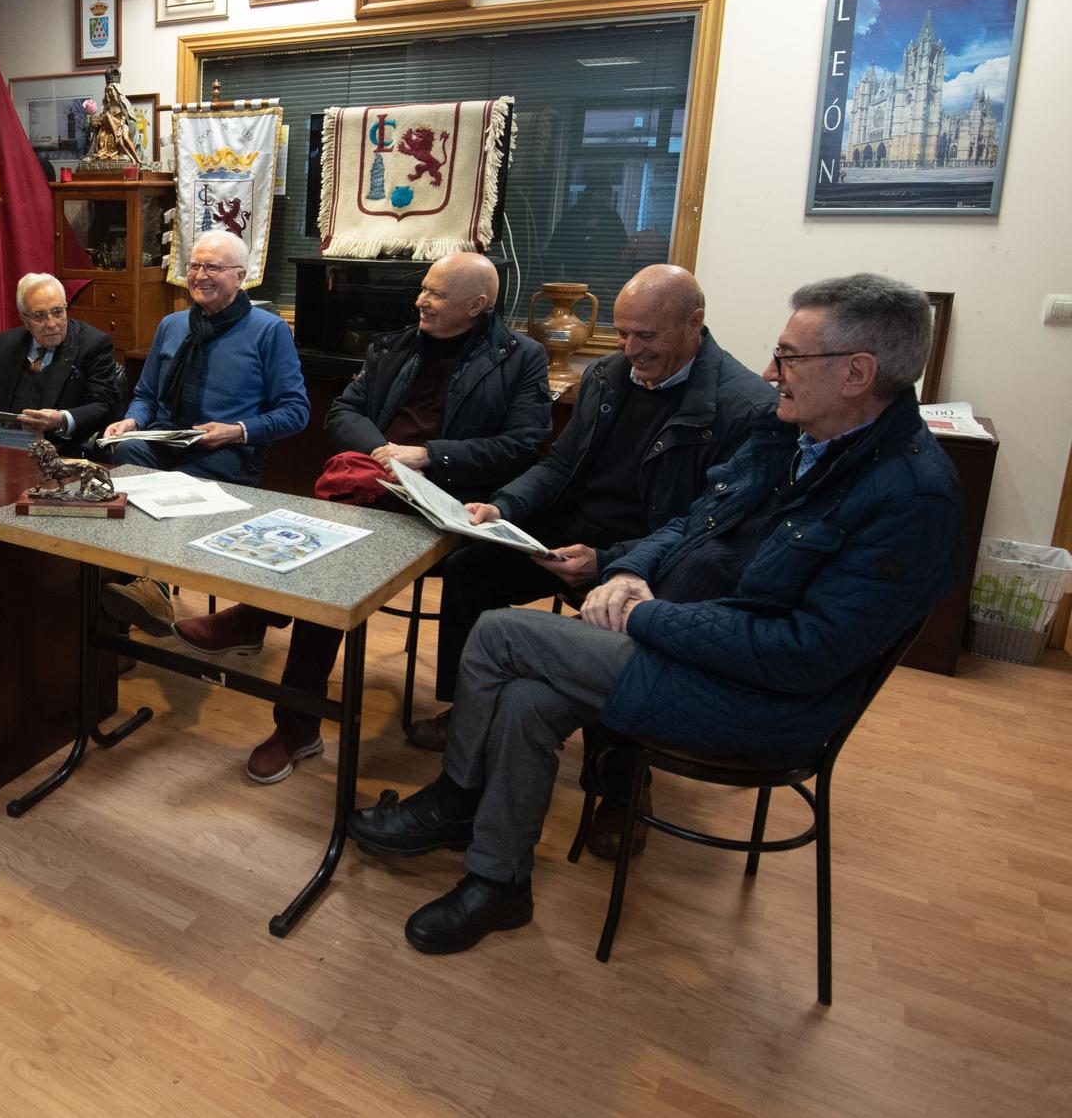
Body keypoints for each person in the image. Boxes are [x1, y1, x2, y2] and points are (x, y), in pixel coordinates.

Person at [348, 273, 962, 956]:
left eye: (789, 357)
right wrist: (632, 567)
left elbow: (802, 651)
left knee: (501, 635)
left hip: (756, 699)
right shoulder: (793, 432)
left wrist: (641, 614)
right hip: (686, 632)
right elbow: (698, 518)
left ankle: (455, 800)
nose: (770, 371)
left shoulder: (910, 495)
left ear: (857, 372)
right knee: (522, 697)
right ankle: (500, 882)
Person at [169, 252, 552, 783]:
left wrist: (428, 456)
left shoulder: (521, 357)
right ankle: (287, 696)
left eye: (436, 294)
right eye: (423, 288)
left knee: (326, 548)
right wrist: (385, 456)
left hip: (453, 502)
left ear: (477, 306)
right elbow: (341, 413)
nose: (420, 299)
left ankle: (263, 636)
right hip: (377, 487)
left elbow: (523, 445)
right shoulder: (394, 345)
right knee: (331, 559)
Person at [407, 265, 775, 760]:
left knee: (621, 627)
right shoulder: (608, 374)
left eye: (646, 336)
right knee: (470, 569)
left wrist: (607, 561)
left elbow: (702, 529)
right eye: (622, 334)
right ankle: (471, 711)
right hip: (573, 533)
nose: (631, 350)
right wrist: (504, 505)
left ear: (695, 323)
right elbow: (560, 465)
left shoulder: (745, 407)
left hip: (653, 557)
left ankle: (619, 780)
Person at [98, 229, 310, 634]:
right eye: (194, 265)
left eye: (213, 266)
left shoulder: (269, 330)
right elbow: (145, 395)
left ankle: (145, 594)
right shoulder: (173, 325)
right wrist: (132, 421)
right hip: (164, 440)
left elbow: (296, 411)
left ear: (241, 275)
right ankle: (132, 603)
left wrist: (236, 431)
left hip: (225, 453)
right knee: (124, 461)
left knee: (164, 488)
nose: (200, 275)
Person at [0, 272, 122, 451]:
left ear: (66, 307)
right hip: (3, 448)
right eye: (39, 316)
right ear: (24, 318)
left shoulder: (94, 344)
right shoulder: (6, 343)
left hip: (59, 449)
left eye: (57, 312)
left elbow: (104, 406)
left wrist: (61, 419)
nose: (51, 323)